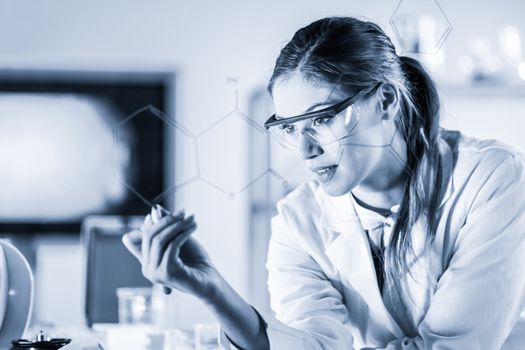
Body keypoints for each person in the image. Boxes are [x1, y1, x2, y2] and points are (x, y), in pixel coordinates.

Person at [123, 16, 525, 349]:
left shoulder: (492, 179)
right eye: (290, 127)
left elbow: (452, 346)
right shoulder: (298, 221)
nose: (304, 150)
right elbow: (311, 342)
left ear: (385, 100)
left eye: (321, 119)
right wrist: (212, 289)